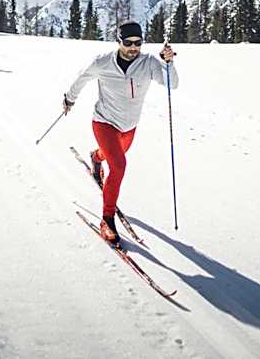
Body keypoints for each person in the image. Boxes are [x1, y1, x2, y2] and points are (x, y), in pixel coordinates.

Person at [62, 21, 177, 244]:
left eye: (138, 43)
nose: (134, 47)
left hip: (129, 127)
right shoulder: (103, 62)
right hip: (104, 122)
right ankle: (107, 219)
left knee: (113, 156)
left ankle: (97, 157)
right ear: (118, 41)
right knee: (119, 165)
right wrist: (69, 98)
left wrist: (168, 64)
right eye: (128, 42)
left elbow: (173, 84)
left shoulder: (149, 63)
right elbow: (82, 77)